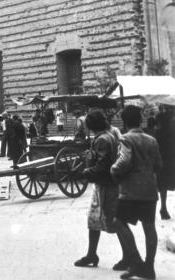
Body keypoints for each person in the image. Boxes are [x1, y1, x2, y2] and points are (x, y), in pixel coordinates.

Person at [111, 105, 162, 280]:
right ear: (140, 120)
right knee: (149, 227)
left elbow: (124, 162)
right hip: (149, 190)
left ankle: (136, 261)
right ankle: (149, 267)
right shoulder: (151, 140)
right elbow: (158, 165)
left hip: (130, 191)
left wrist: (113, 169)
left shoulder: (126, 139)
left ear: (124, 122)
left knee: (118, 222)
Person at [74, 109, 127, 271]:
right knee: (94, 220)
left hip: (106, 186)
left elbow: (103, 165)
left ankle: (129, 256)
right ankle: (92, 254)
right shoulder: (107, 136)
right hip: (106, 184)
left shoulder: (102, 139)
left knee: (115, 221)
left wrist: (86, 172)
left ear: (91, 125)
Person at [154, 104, 175, 220]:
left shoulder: (159, 122)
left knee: (163, 184)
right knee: (166, 182)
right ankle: (163, 208)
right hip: (171, 155)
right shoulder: (171, 120)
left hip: (163, 156)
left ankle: (163, 207)